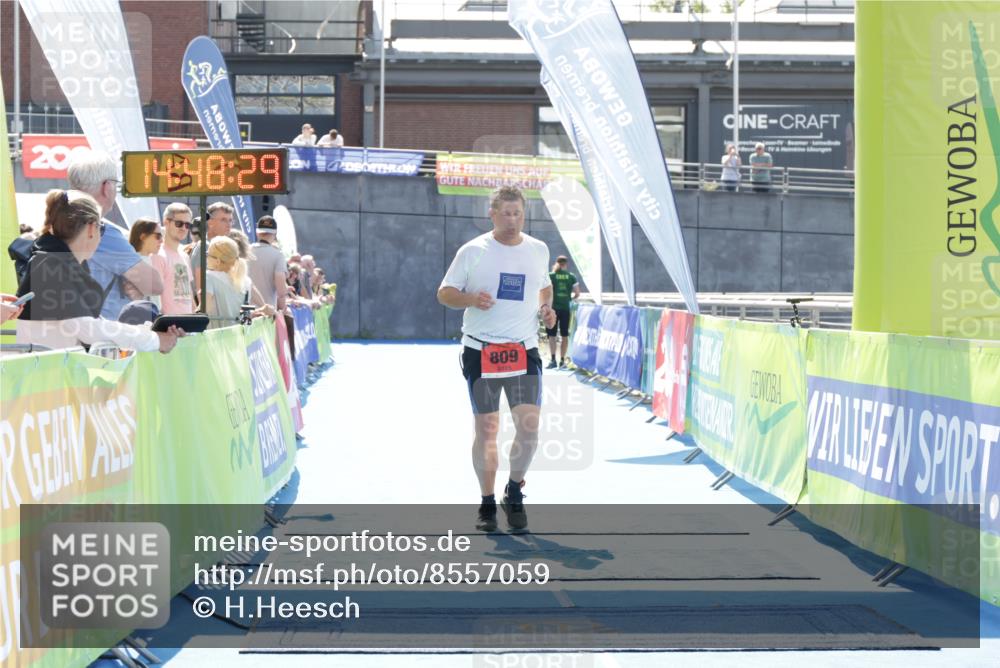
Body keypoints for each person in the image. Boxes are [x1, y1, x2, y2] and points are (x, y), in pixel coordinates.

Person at [437, 185, 556, 533]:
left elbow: (543, 285)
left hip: (523, 349)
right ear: (491, 214)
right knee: (488, 429)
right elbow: (444, 293)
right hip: (481, 350)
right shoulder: (473, 251)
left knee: (529, 427)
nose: (512, 220)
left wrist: (545, 307)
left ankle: (514, 490)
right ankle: (487, 502)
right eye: (505, 213)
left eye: (518, 213)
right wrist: (471, 298)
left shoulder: (538, 249)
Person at [14, 190, 183, 353]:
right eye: (101, 228)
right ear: (91, 228)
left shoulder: (51, 261)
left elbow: (91, 325)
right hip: (48, 377)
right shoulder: (50, 265)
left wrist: (151, 334)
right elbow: (89, 329)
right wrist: (154, 340)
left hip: (52, 374)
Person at [67, 151, 163, 320]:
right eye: (115, 184)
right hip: (101, 337)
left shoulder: (57, 225)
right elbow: (154, 284)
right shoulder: (103, 234)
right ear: (107, 187)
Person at [158, 203, 195, 315]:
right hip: (168, 327)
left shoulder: (184, 255)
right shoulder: (158, 254)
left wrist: (194, 317)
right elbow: (155, 296)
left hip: (187, 326)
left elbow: (188, 293)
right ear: (166, 222)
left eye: (188, 225)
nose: (184, 228)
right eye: (179, 223)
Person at [190, 201, 234, 296]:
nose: (228, 224)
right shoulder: (204, 246)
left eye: (230, 220)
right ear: (210, 222)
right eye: (223, 220)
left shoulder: (223, 247)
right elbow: (200, 288)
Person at [545, 255, 579, 369]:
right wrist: (570, 299)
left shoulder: (551, 275)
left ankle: (553, 360)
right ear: (566, 264)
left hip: (553, 309)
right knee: (564, 335)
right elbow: (577, 293)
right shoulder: (571, 276)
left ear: (557, 263)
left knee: (552, 335)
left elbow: (545, 290)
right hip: (565, 309)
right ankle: (562, 361)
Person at [248, 215, 288, 312]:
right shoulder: (278, 255)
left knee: (246, 325)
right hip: (267, 313)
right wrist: (283, 312)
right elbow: (281, 291)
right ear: (275, 234)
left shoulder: (246, 251)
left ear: (257, 233)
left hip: (246, 311)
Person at [125, 218, 165, 308]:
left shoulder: (145, 260)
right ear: (143, 237)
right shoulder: (134, 263)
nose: (162, 240)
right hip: (141, 318)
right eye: (158, 236)